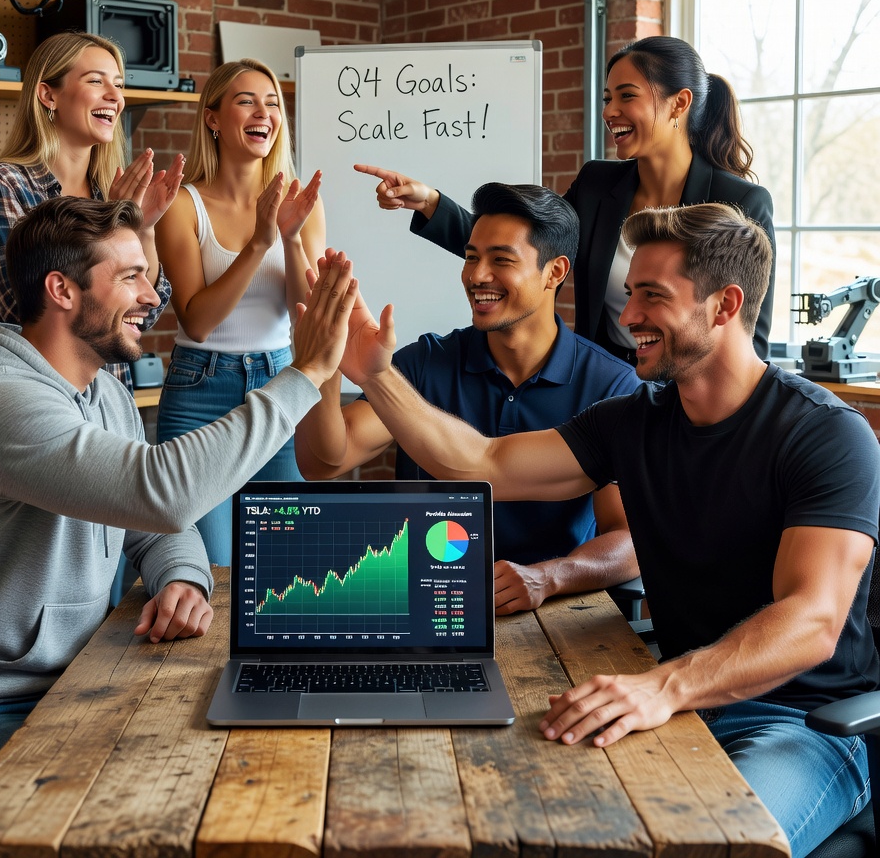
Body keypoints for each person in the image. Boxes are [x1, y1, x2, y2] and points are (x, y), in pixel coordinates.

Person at [332, 201, 878, 858]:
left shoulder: (824, 434)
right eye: (629, 295)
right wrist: (377, 378)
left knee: (704, 847)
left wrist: (664, 686)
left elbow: (812, 620)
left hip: (803, 724)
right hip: (678, 705)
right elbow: (482, 462)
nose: (626, 318)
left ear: (725, 305)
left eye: (652, 297)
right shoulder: (632, 421)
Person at [0, 196, 356, 824]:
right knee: (117, 820)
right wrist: (307, 372)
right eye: (130, 276)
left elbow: (158, 522)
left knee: (228, 780)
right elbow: (161, 489)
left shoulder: (103, 392)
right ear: (62, 290)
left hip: (78, 688)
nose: (153, 295)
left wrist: (181, 574)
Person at [296, 182, 641, 613]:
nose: (477, 275)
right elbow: (324, 460)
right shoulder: (426, 362)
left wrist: (550, 576)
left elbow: (629, 536)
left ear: (555, 272)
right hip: (424, 606)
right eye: (472, 257)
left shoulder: (611, 385)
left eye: (501, 260)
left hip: (552, 616)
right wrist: (324, 366)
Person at [359, 35, 777, 362]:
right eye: (607, 98)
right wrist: (429, 201)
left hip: (691, 392)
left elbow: (748, 338)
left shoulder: (741, 202)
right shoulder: (597, 184)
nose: (610, 111)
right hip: (607, 389)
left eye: (627, 96)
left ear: (678, 104)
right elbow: (526, 250)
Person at [154, 58, 326, 565]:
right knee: (211, 566)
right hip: (199, 393)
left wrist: (290, 238)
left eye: (272, 103)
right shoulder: (183, 206)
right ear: (213, 118)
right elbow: (197, 321)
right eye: (246, 100)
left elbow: (304, 315)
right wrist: (258, 242)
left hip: (281, 385)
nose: (264, 112)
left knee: (287, 566)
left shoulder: (303, 202)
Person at [0, 30, 185, 389]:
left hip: (108, 396)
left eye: (118, 84)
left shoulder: (107, 195)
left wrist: (143, 229)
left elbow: (144, 313)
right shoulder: (4, 183)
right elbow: (23, 312)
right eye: (96, 81)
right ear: (48, 95)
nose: (115, 97)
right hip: (30, 395)